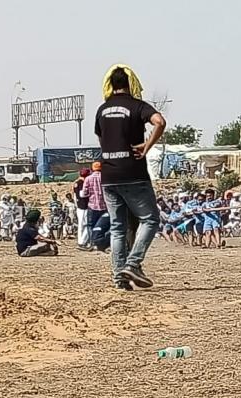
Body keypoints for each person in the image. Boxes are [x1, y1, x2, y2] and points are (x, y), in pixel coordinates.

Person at [95, 65, 166, 290]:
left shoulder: (102, 109)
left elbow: (101, 138)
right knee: (150, 219)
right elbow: (160, 122)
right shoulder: (138, 106)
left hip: (108, 175)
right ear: (131, 84)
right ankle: (133, 264)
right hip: (133, 173)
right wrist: (147, 145)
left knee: (117, 228)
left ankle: (119, 279)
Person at [74, 168, 91, 246]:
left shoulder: (76, 183)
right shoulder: (82, 183)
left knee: (81, 224)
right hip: (84, 206)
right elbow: (82, 194)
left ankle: (81, 240)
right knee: (86, 224)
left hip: (79, 206)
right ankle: (83, 241)